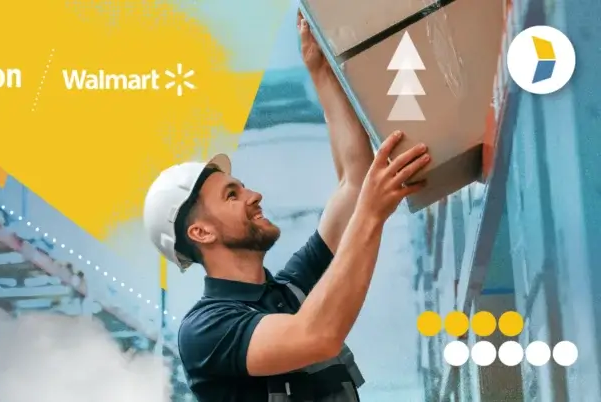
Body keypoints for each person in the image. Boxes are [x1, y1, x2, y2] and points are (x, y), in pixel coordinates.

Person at [142, 12, 431, 402]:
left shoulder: (288, 290)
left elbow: (354, 183)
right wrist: (372, 212)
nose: (253, 195)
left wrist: (319, 68)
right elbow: (317, 336)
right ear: (201, 232)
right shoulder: (206, 329)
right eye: (232, 194)